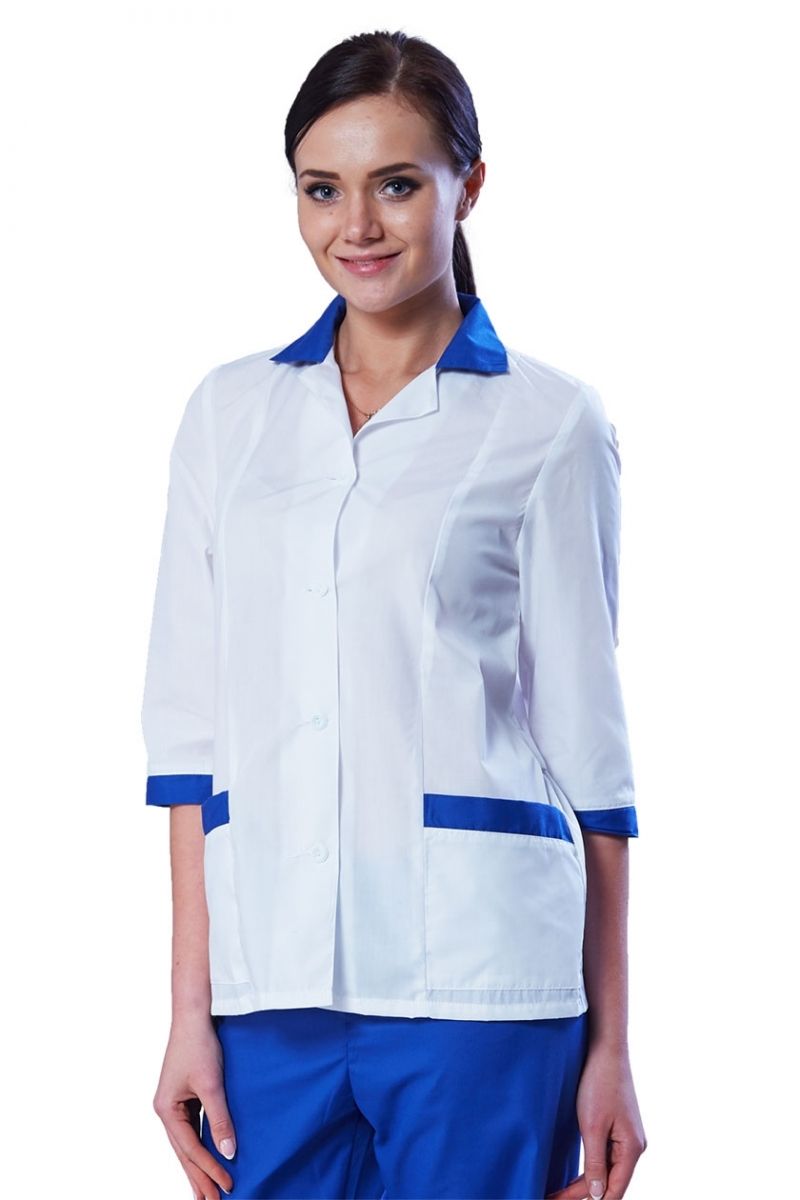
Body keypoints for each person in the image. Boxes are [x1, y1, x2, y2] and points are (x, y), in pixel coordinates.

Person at [141, 27, 648, 1200]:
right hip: (267, 988)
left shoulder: (548, 422)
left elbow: (590, 750)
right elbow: (188, 740)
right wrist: (187, 1011)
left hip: (479, 980)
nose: (355, 226)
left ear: (469, 187)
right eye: (321, 188)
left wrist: (612, 1047)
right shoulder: (229, 417)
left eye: (397, 184)